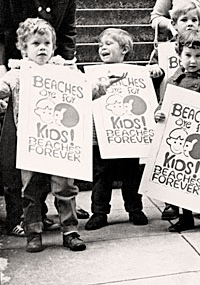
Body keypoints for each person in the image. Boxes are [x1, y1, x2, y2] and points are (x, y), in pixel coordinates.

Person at [0, 18, 116, 252]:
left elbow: (84, 89)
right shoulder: (18, 73)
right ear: (24, 48)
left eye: (46, 43)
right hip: (31, 142)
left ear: (54, 47)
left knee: (65, 187)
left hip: (61, 141)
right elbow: (3, 88)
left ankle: (70, 230)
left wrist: (102, 86)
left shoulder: (65, 70)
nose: (42, 47)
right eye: (35, 43)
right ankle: (33, 231)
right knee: (31, 189)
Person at [0, 0, 88, 238]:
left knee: (57, 141)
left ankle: (62, 208)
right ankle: (21, 215)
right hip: (17, 68)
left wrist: (69, 67)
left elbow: (67, 30)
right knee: (17, 148)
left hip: (53, 69)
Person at [154, 29, 200, 234]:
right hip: (180, 137)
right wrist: (158, 114)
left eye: (198, 56)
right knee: (182, 179)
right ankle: (185, 217)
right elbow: (163, 104)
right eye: (188, 55)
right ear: (179, 55)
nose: (193, 61)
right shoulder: (172, 81)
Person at [85, 28, 157, 231]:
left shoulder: (136, 73)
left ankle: (135, 209)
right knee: (101, 177)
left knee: (132, 176)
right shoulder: (94, 75)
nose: (103, 48)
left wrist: (153, 71)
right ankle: (99, 212)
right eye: (100, 45)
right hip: (101, 136)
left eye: (109, 44)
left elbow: (148, 90)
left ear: (124, 49)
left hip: (128, 137)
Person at [149, 2, 200, 221]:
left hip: (197, 113)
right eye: (184, 20)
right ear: (173, 24)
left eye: (194, 20)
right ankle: (171, 203)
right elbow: (150, 73)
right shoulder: (162, 50)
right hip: (171, 109)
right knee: (171, 157)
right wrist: (154, 71)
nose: (189, 24)